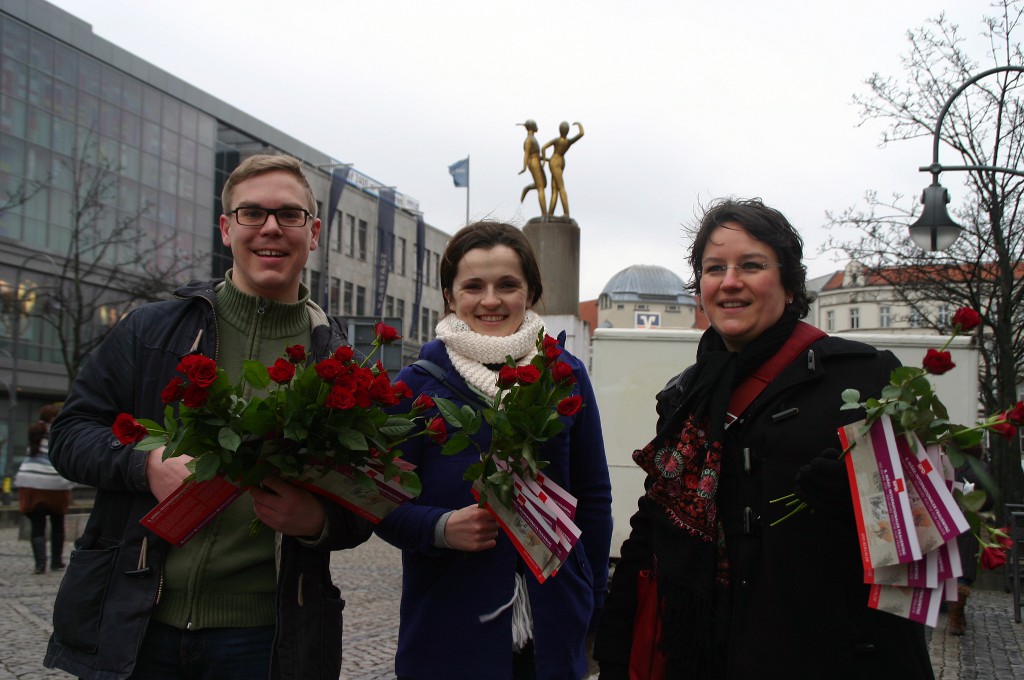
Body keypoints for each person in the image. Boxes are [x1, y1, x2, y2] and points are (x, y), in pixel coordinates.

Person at [44, 154, 374, 680]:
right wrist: (144, 464)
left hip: (267, 632)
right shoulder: (151, 331)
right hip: (137, 618)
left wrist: (319, 522)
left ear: (313, 233)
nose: (270, 227)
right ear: (227, 228)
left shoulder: (341, 364)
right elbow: (69, 434)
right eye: (252, 213)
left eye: (289, 215)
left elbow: (367, 498)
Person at [594, 199, 935, 679]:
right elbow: (652, 531)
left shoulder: (863, 376)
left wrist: (859, 500)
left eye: (751, 265)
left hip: (827, 658)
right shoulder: (685, 396)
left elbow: (927, 530)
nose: (730, 282)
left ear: (790, 282)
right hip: (706, 654)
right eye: (714, 269)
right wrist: (615, 647)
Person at [375, 221, 613, 680]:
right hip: (450, 624)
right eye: (473, 286)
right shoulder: (416, 385)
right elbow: (377, 500)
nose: (490, 300)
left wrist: (593, 600)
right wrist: (440, 527)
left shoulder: (565, 374)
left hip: (553, 621)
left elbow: (594, 496)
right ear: (450, 296)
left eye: (507, 285)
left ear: (530, 292)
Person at [14, 403, 73, 574]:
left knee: (37, 526)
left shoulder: (35, 432)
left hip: (30, 482)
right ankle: (56, 561)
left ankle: (40, 564)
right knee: (57, 523)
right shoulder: (61, 431)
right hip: (54, 483)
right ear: (53, 418)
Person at [541, 121, 584, 217]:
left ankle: (566, 213)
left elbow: (543, 148)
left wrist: (544, 161)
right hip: (561, 162)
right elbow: (581, 133)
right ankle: (551, 213)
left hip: (554, 162)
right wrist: (578, 125)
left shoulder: (557, 140)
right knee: (556, 189)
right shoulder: (568, 142)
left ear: (559, 130)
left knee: (559, 188)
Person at [518, 120, 548, 218]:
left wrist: (546, 159)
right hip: (533, 163)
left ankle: (527, 188)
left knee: (543, 184)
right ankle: (544, 213)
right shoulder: (529, 140)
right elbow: (526, 154)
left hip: (537, 161)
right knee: (540, 187)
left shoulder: (533, 139)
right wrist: (524, 167)